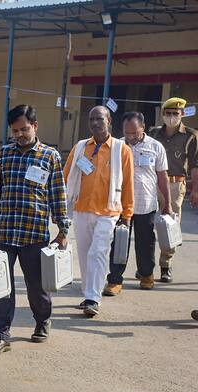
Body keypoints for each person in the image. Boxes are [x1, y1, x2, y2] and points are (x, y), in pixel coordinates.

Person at [0, 105, 69, 354]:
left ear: (35, 126)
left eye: (24, 129)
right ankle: (1, 335)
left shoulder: (50, 156)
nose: (20, 134)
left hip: (35, 234)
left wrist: (63, 229)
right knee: (0, 287)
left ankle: (42, 321)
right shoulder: (3, 154)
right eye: (15, 131)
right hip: (5, 233)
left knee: (37, 287)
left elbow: (58, 194)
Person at [64, 106, 134, 317]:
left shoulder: (121, 149)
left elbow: (129, 183)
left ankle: (93, 297)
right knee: (85, 255)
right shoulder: (80, 148)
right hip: (81, 209)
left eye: (99, 119)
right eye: (91, 119)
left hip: (108, 211)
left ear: (109, 120)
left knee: (98, 253)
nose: (95, 123)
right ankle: (88, 293)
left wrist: (127, 214)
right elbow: (66, 177)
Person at [104, 112, 171, 294]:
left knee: (146, 241)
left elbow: (162, 178)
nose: (130, 136)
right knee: (119, 241)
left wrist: (167, 205)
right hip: (120, 204)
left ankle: (146, 274)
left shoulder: (156, 147)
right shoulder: (116, 146)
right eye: (127, 132)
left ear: (143, 127)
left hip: (146, 204)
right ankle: (115, 280)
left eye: (134, 132)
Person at [149, 97, 198, 283]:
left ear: (182, 114)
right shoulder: (153, 133)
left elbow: (195, 165)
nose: (171, 117)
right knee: (146, 225)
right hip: (151, 183)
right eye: (168, 113)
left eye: (175, 114)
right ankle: (146, 266)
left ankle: (166, 265)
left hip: (176, 184)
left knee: (170, 227)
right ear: (163, 115)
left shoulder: (191, 135)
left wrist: (195, 190)